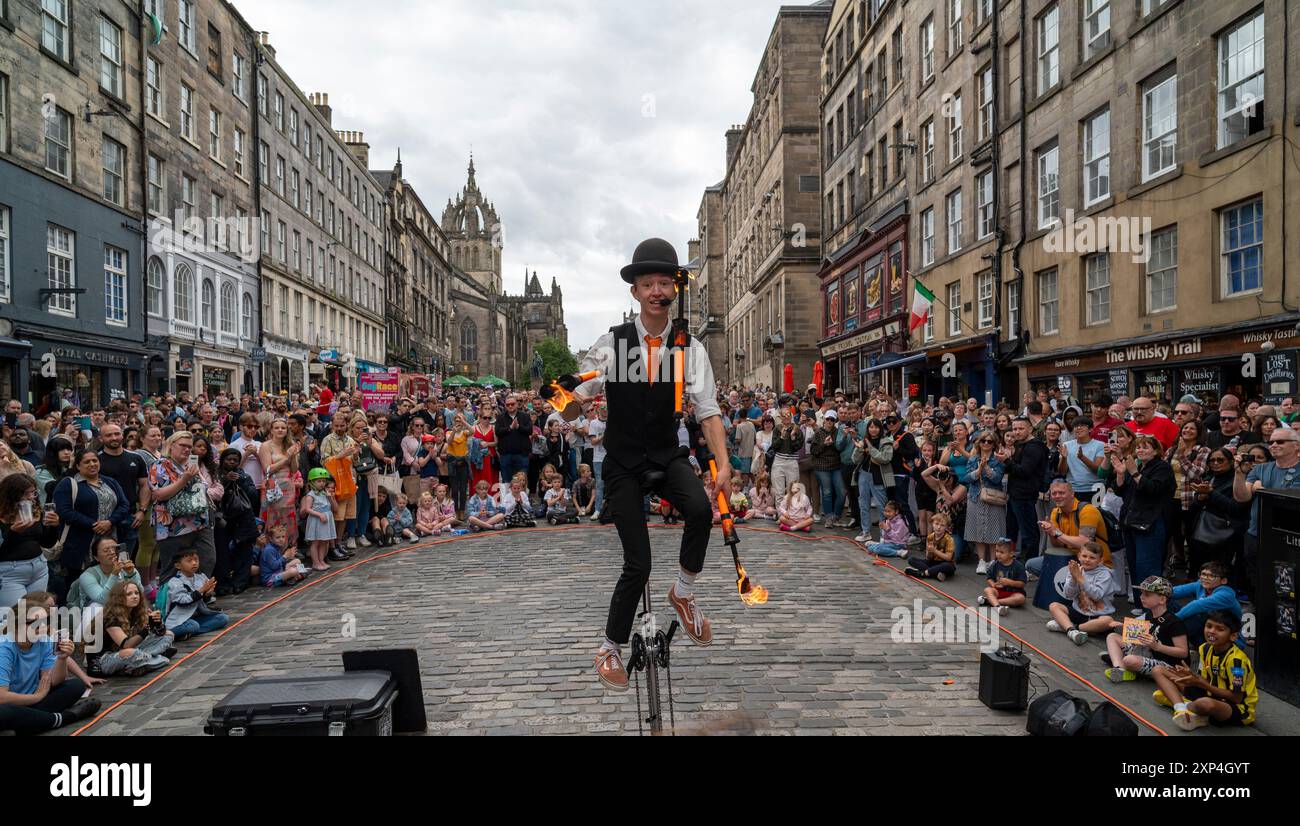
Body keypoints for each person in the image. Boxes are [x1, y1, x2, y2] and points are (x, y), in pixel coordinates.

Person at [563, 238, 729, 692]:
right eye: (647, 284)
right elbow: (576, 402)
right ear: (634, 292)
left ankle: (684, 592)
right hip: (621, 461)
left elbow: (709, 410)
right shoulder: (611, 345)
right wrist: (566, 399)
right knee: (638, 563)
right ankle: (609, 648)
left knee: (699, 510)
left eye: (664, 283)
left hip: (666, 452)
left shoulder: (689, 347)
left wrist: (725, 465)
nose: (657, 291)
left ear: (675, 289)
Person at [0, 597, 101, 734]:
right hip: (11, 703)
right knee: (4, 712)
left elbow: (53, 680)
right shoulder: (4, 648)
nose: (42, 627)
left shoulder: (44, 640)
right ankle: (62, 718)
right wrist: (37, 697)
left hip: (33, 701)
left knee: (76, 685)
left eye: (45, 621)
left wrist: (62, 658)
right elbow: (2, 697)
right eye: (33, 622)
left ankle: (28, 720)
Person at [1151, 610, 1257, 731]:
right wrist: (1190, 676)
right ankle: (1182, 708)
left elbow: (1236, 698)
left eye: (1220, 629)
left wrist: (1200, 683)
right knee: (1158, 670)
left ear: (1233, 636)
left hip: (1235, 707)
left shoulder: (1236, 661)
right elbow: (1204, 679)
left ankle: (1180, 703)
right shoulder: (1204, 648)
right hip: (1209, 692)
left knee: (1205, 704)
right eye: (1209, 626)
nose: (1212, 631)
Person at [51, 448, 130, 600]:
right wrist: (93, 524)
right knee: (77, 584)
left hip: (110, 539)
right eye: (87, 462)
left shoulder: (110, 482)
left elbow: (124, 505)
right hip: (80, 543)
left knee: (110, 578)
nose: (92, 464)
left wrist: (110, 522)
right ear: (78, 466)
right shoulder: (69, 484)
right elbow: (64, 510)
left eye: (95, 460)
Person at [1232, 426, 1300, 598]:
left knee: (1287, 588)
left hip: (1287, 539)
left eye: (1280, 441)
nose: (1274, 444)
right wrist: (1239, 474)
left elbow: (1291, 502)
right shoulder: (1260, 469)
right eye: (1271, 442)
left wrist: (1262, 490)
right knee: (1258, 582)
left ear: (1297, 445)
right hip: (1256, 534)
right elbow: (1242, 497)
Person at [1114, 434, 1175, 602]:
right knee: (1133, 565)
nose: (1140, 450)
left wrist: (1133, 472)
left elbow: (1152, 489)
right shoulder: (1138, 466)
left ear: (1155, 451)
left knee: (1146, 566)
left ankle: (1154, 605)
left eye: (1145, 447)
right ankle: (1141, 604)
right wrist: (1120, 474)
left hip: (1150, 524)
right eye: (1138, 447)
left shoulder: (1162, 468)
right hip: (1130, 522)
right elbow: (1121, 491)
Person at [149, 431, 215, 583]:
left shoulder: (190, 465)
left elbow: (204, 488)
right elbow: (159, 494)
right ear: (171, 446)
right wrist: (184, 479)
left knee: (206, 560)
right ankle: (168, 603)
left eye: (189, 447)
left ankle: (198, 598)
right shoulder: (159, 465)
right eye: (182, 445)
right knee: (172, 568)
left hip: (199, 522)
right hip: (172, 526)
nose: (186, 450)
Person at [1100, 575, 1188, 684]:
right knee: (1112, 637)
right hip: (1149, 654)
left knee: (1130, 660)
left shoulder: (1174, 622)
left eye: (1147, 594)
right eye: (1142, 593)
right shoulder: (1148, 614)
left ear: (1162, 599)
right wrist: (1121, 626)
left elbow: (1183, 652)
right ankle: (1120, 668)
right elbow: (1133, 633)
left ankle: (1122, 661)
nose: (1141, 597)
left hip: (1168, 665)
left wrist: (1158, 647)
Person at [0, 474, 60, 607]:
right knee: (16, 617)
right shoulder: (2, 517)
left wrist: (54, 527)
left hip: (39, 568)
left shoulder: (35, 510)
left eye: (33, 492)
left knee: (36, 615)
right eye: (26, 494)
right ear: (12, 495)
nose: (31, 498)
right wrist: (13, 533)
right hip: (10, 573)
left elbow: (47, 543)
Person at [1186, 449, 1249, 576]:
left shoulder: (1238, 480)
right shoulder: (1208, 478)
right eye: (1212, 460)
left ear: (1231, 462)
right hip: (1201, 532)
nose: (1215, 463)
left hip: (1227, 536)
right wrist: (1200, 498)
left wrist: (1211, 493)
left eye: (1220, 460)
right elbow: (1193, 509)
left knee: (1219, 573)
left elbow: (1236, 508)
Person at [94, 580, 174, 677]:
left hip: (133, 650)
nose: (135, 596)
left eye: (137, 593)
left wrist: (158, 624)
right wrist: (148, 627)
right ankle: (156, 659)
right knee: (132, 653)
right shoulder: (110, 617)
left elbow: (159, 633)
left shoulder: (137, 611)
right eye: (129, 594)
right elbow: (126, 645)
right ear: (118, 598)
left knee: (168, 634)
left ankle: (143, 661)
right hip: (105, 659)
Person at [998, 417, 1048, 564]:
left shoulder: (1034, 447)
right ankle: (1009, 561)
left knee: (1028, 533)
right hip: (1015, 494)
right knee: (1012, 530)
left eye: (1020, 429)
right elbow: (1014, 469)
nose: (1017, 432)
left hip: (1025, 495)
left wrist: (1006, 460)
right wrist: (1006, 461)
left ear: (1030, 429)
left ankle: (1030, 565)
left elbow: (1025, 471)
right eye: (1014, 429)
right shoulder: (1021, 445)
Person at [1046, 543, 1117, 645]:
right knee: (1054, 606)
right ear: (1079, 556)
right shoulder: (1076, 570)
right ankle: (1072, 630)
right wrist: (1073, 580)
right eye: (1084, 556)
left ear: (1100, 560)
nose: (1087, 560)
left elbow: (1097, 596)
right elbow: (1069, 595)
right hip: (1078, 612)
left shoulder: (1105, 574)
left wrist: (1080, 579)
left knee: (1108, 621)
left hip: (1098, 616)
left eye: (1092, 557)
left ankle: (1070, 628)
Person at [963, 430, 1007, 575]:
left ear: (994, 444)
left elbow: (997, 479)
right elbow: (967, 478)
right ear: (979, 443)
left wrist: (987, 468)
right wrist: (978, 470)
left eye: (989, 441)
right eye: (983, 441)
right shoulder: (972, 459)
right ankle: (982, 560)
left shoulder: (998, 460)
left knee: (994, 531)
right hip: (975, 498)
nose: (986, 444)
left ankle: (993, 561)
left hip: (993, 499)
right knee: (977, 530)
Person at [1171, 561, 1241, 650]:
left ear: (1223, 581)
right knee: (1162, 598)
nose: (1205, 578)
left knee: (1196, 615)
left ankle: (1170, 642)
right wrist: (1155, 590)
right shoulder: (1200, 585)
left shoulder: (1226, 594)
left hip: (1227, 642)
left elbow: (1196, 606)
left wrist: (1170, 622)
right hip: (1207, 632)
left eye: (1212, 576)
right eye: (1203, 574)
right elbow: (1174, 591)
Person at [810, 410, 846, 529]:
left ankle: (836, 516)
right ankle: (829, 517)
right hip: (821, 466)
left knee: (841, 492)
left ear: (835, 421)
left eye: (832, 420)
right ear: (824, 420)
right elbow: (814, 451)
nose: (829, 422)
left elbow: (840, 448)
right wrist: (824, 445)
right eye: (828, 419)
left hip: (836, 465)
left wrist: (834, 443)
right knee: (827, 492)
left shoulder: (838, 432)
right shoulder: (818, 433)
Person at [300, 467, 337, 572]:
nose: (322, 483)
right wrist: (319, 515)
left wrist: (330, 497)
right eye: (319, 481)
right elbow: (307, 509)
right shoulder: (310, 495)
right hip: (317, 520)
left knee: (325, 541)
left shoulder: (324, 493)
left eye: (324, 481)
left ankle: (321, 560)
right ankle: (316, 562)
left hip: (326, 520)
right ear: (312, 482)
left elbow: (333, 507)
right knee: (316, 542)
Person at [977, 539, 1027, 615]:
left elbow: (1022, 583)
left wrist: (1010, 582)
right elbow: (989, 577)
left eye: (1002, 552)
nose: (998, 554)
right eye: (997, 551)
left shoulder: (1018, 566)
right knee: (987, 590)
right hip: (998, 591)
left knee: (1021, 599)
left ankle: (990, 601)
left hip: (1014, 592)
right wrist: (993, 584)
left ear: (1011, 554)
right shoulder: (995, 564)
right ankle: (997, 607)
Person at [904, 511, 956, 581]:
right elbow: (928, 558)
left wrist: (935, 551)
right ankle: (935, 574)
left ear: (946, 528)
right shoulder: (930, 537)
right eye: (936, 524)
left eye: (942, 525)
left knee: (947, 566)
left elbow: (949, 558)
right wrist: (930, 552)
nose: (938, 527)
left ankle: (922, 573)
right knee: (911, 559)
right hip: (933, 563)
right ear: (932, 524)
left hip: (945, 563)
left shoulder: (949, 539)